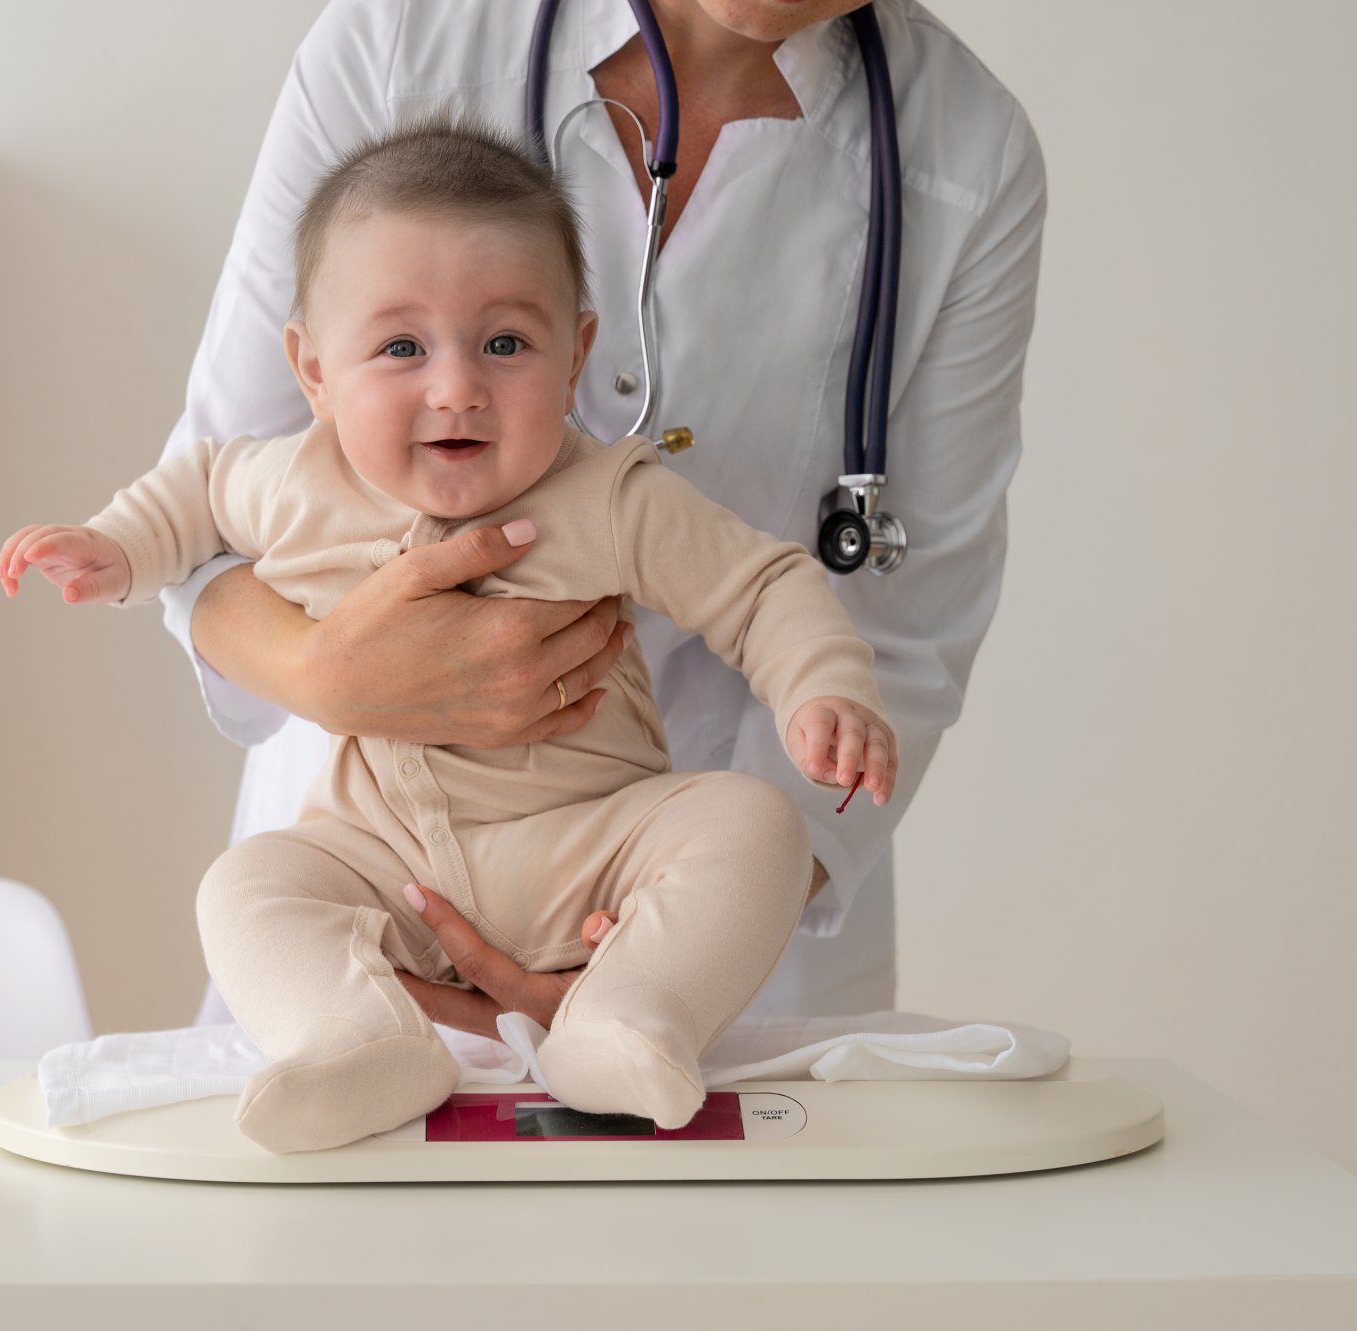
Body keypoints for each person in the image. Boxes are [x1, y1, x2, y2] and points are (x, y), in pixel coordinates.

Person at [0, 116, 898, 1152]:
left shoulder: (611, 496)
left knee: (753, 824)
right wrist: (114, 546)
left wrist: (822, 689)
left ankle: (626, 1014)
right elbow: (192, 490)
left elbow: (763, 584)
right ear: (313, 371)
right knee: (247, 883)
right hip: (384, 862)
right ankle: (360, 1038)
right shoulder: (290, 481)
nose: (456, 385)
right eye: (399, 346)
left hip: (589, 848)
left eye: (506, 342)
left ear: (576, 357)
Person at [153, 0, 1046, 1030]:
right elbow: (212, 504)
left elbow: (898, 635)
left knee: (674, 1128)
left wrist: (655, 961)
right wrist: (322, 673)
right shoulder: (404, 37)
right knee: (342, 1094)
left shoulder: (963, 152)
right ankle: (350, 1044)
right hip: (374, 896)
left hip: (706, 953)